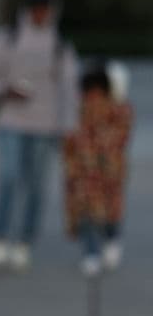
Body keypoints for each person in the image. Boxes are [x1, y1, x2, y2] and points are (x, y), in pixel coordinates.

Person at [0, 0, 80, 272]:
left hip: (45, 125)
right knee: (9, 177)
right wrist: (5, 90)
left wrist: (69, 128)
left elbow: (69, 89)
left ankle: (24, 241)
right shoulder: (8, 38)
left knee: (35, 186)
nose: (41, 13)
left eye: (46, 7)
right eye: (37, 7)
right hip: (11, 120)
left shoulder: (60, 45)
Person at [63, 60, 133, 277]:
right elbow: (71, 138)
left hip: (106, 171)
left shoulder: (118, 108)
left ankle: (108, 242)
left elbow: (120, 136)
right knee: (90, 213)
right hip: (87, 172)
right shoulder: (81, 106)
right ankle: (92, 252)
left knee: (108, 212)